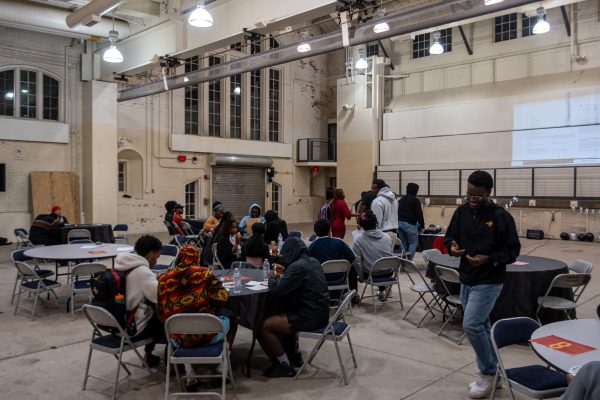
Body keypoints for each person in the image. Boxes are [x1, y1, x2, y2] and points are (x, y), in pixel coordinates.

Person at [444, 170, 520, 399]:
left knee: (472, 325)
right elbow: (450, 237)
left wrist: (489, 258)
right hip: (466, 277)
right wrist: (452, 248)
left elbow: (512, 251)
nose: (472, 200)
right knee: (483, 325)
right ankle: (494, 371)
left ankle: (487, 372)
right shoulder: (461, 212)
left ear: (488, 193)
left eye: (477, 196)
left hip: (489, 279)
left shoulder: (500, 216)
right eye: (468, 195)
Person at [156, 245, 231, 390]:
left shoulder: (163, 279)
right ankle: (222, 370)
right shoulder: (204, 273)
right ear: (197, 258)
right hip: (207, 335)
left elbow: (160, 313)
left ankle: (190, 375)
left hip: (178, 338)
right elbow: (222, 297)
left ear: (179, 259)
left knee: (180, 326)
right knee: (229, 318)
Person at [260, 237, 329, 378]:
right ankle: (294, 355)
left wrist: (271, 278)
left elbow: (278, 289)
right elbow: (298, 279)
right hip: (321, 313)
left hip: (309, 317)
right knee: (282, 312)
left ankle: (284, 365)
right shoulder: (313, 261)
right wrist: (286, 272)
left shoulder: (298, 267)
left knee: (264, 326)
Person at [114, 234, 164, 367]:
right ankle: (170, 357)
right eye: (157, 256)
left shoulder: (122, 265)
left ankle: (150, 355)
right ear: (150, 254)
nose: (156, 261)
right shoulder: (143, 272)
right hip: (131, 328)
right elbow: (159, 298)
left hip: (115, 322)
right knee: (166, 317)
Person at [308, 219, 357, 303]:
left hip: (321, 280)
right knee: (352, 267)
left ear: (315, 232)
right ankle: (353, 295)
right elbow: (352, 257)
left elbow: (308, 264)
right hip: (340, 278)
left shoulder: (311, 246)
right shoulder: (339, 242)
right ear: (329, 230)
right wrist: (342, 266)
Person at [352, 210, 393, 301]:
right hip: (389, 272)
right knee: (378, 259)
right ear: (375, 222)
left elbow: (357, 261)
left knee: (352, 264)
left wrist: (361, 277)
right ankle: (382, 290)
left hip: (372, 274)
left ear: (362, 225)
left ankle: (354, 296)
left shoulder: (358, 240)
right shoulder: (387, 237)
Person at [397, 183, 425, 260]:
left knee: (403, 243)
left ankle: (402, 263)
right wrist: (422, 226)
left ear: (407, 190)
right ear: (416, 191)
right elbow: (419, 214)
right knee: (413, 243)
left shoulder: (401, 200)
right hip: (409, 224)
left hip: (399, 223)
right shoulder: (415, 200)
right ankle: (408, 263)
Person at [370, 179, 399, 250]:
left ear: (380, 188)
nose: (372, 190)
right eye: (372, 188)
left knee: (378, 259)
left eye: (374, 188)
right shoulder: (394, 200)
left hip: (382, 234)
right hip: (393, 234)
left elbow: (376, 222)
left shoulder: (377, 201)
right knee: (387, 260)